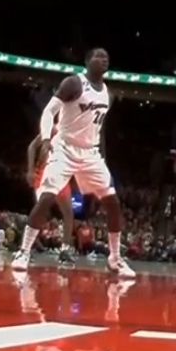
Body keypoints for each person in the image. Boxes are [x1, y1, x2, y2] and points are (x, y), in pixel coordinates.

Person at [12, 48, 136, 279]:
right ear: (88, 61)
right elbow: (49, 112)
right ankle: (23, 252)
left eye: (106, 56)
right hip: (64, 147)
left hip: (90, 152)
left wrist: (103, 157)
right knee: (47, 197)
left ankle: (115, 258)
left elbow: (99, 130)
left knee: (113, 202)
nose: (104, 58)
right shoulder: (73, 84)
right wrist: (47, 139)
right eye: (98, 56)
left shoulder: (107, 94)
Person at [24, 114, 78, 262]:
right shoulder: (52, 129)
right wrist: (30, 170)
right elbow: (32, 147)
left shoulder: (74, 134)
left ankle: (64, 251)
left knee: (68, 213)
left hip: (62, 176)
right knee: (40, 212)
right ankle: (26, 249)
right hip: (45, 173)